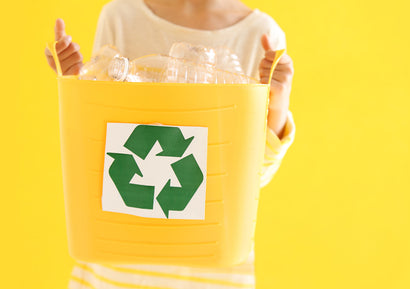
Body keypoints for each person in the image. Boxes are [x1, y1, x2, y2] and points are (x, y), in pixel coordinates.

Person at [45, 0, 295, 288]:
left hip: (210, 275)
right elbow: (96, 147)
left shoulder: (260, 35)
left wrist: (278, 105)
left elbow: (252, 179)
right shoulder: (120, 17)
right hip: (114, 270)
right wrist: (78, 81)